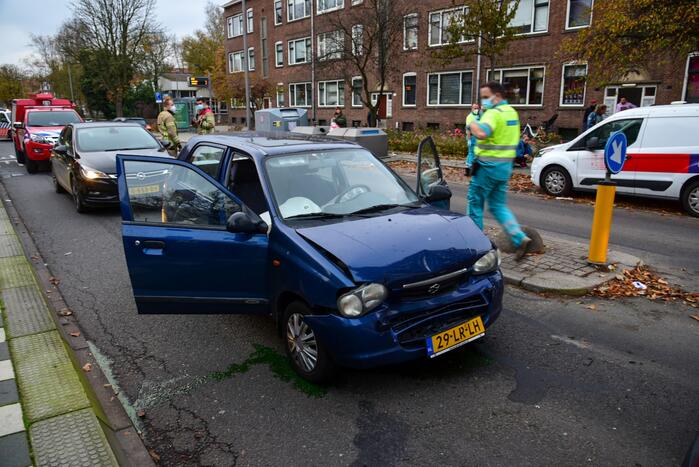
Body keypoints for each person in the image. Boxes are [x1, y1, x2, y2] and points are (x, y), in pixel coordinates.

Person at [467, 81, 531, 260]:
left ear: (497, 96)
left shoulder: (492, 114)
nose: (484, 101)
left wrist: (472, 123)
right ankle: (519, 237)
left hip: (486, 168)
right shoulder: (512, 112)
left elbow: (481, 133)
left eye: (486, 97)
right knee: (498, 206)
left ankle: (475, 247)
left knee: (475, 205)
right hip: (504, 168)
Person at [465, 103, 480, 175]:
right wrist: (469, 139)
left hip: (477, 137)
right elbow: (468, 129)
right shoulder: (470, 117)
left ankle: (468, 169)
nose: (476, 110)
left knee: (473, 153)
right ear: (472, 109)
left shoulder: (479, 116)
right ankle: (469, 169)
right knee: (471, 153)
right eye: (475, 108)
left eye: (477, 108)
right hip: (471, 136)